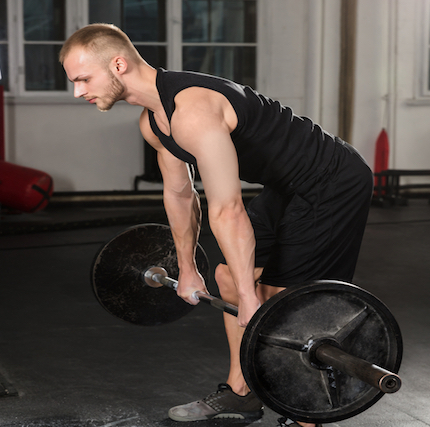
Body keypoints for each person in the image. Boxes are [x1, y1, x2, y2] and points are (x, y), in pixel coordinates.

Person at [61, 23, 373, 427]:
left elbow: (227, 208)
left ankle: (306, 413)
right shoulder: (155, 123)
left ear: (117, 65)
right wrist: (188, 269)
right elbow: (179, 195)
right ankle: (241, 394)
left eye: (83, 79)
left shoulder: (193, 109)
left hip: (334, 180)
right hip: (288, 186)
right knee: (226, 276)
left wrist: (251, 297)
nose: (78, 91)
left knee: (282, 301)